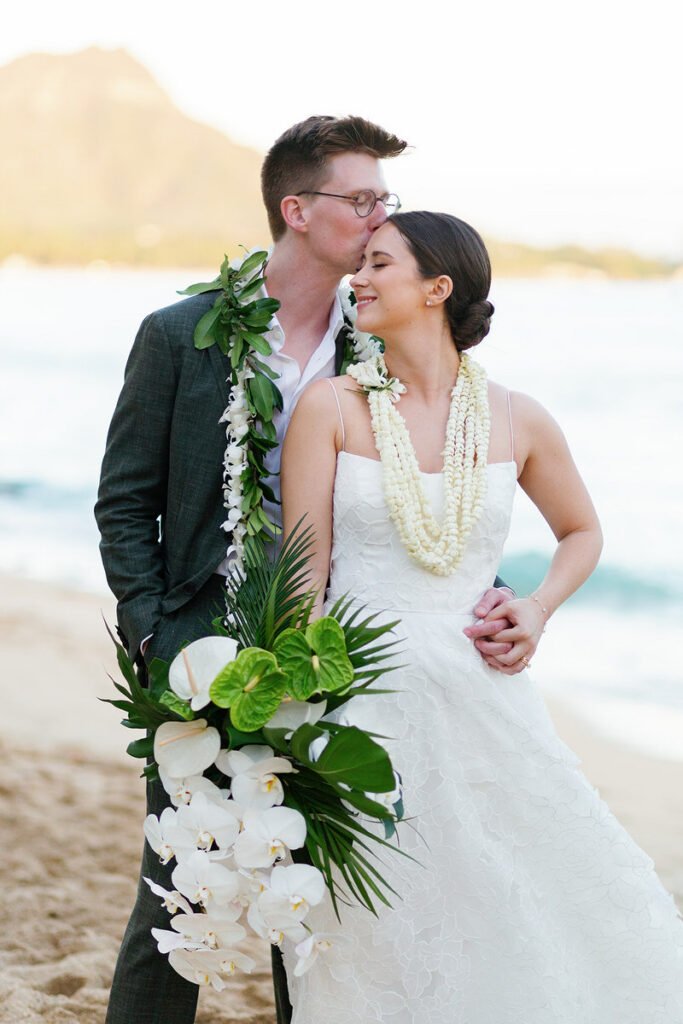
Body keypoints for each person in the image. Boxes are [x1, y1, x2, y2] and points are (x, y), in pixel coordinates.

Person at [95, 119, 515, 1024]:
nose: (378, 219)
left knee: (319, 898)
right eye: (361, 200)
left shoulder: (381, 340)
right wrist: (155, 633)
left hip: (344, 654)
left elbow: (438, 478)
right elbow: (125, 502)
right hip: (200, 647)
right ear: (296, 210)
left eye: (384, 201)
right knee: (181, 884)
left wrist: (483, 588)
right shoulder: (179, 335)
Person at [279, 211, 683, 1022]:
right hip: (361, 697)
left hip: (481, 691)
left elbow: (581, 532)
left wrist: (534, 608)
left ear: (437, 288)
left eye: (379, 263)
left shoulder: (516, 416)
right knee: (377, 920)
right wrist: (288, 706)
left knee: (515, 898)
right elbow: (302, 577)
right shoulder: (332, 407)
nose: (358, 278)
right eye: (361, 263)